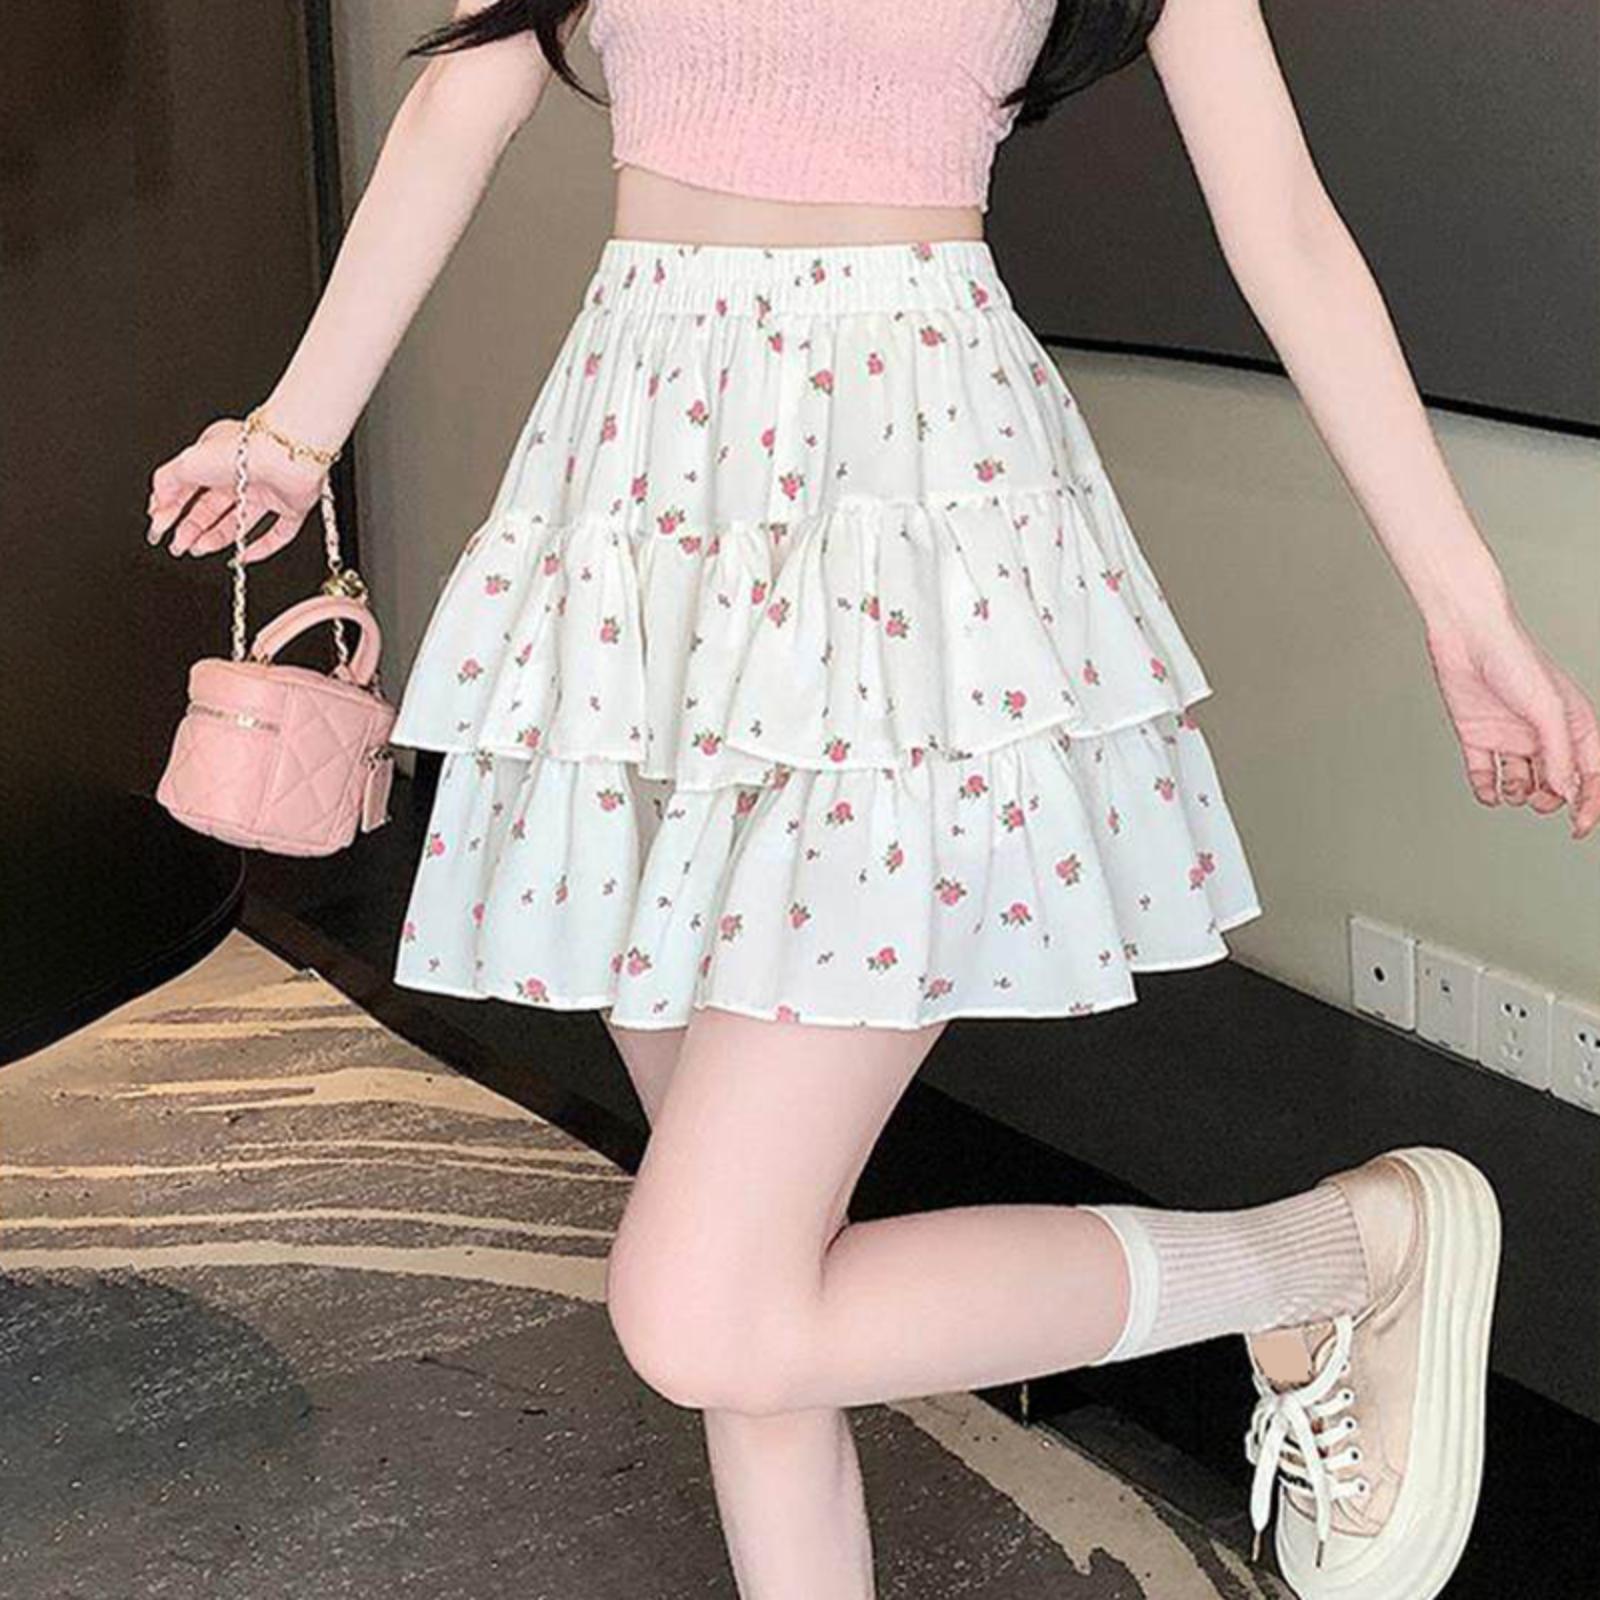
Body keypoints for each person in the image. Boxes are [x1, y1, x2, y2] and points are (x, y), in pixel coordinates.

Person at [145, 3, 1600, 1595]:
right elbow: (458, 107)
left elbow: (1289, 233)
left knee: (708, 1308)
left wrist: (1469, 610)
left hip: (909, 534)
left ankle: (1331, 1257)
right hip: (638, 524)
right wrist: (293, 432)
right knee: (757, 1281)